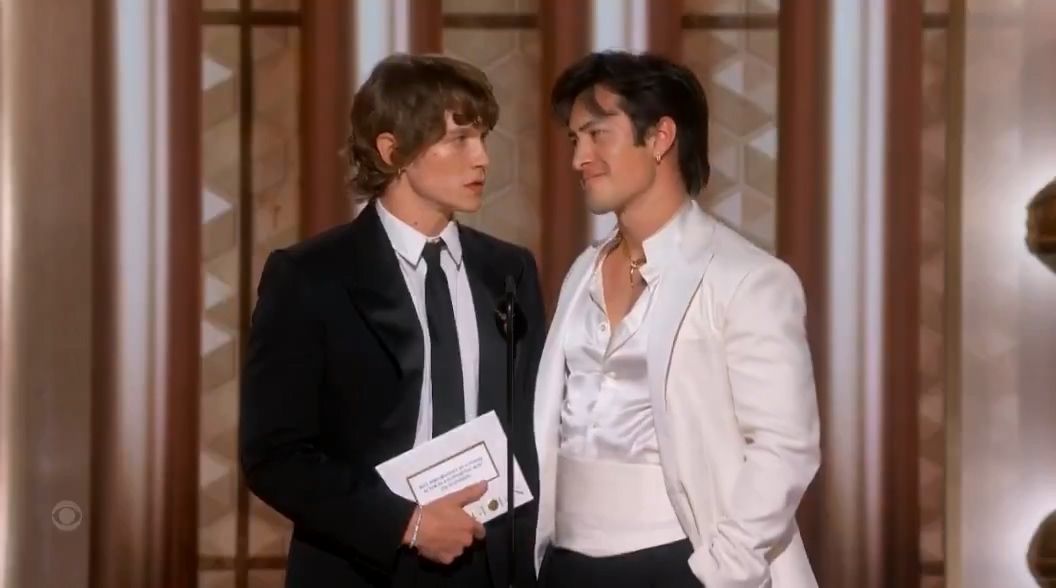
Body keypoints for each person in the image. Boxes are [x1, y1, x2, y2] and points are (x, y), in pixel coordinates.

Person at [240, 53, 545, 588]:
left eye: (483, 138)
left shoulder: (510, 270)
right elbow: (274, 454)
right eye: (459, 139)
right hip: (364, 567)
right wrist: (408, 524)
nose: (482, 159)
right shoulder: (310, 276)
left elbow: (532, 427)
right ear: (392, 150)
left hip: (493, 566)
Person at [532, 50, 821, 587]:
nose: (579, 158)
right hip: (566, 563)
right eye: (574, 140)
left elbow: (785, 448)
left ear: (660, 137)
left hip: (679, 560)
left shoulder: (748, 278)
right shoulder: (582, 272)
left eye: (597, 135)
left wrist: (719, 569)